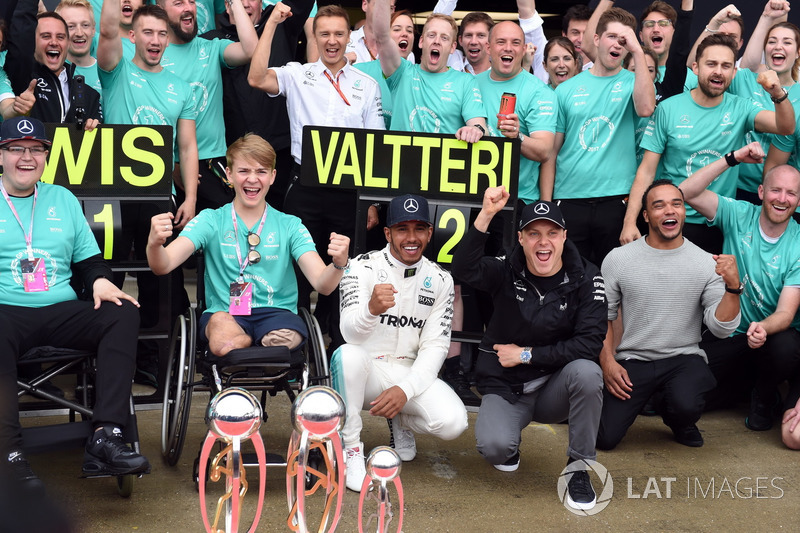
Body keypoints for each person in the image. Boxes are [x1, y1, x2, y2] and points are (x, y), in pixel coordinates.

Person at [0, 116, 150, 492]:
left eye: (36, 150)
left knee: (123, 312)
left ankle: (106, 434)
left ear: (47, 157)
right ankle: (9, 453)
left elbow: (89, 260)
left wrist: (99, 280)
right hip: (6, 311)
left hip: (60, 309)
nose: (26, 158)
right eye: (16, 149)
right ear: (1, 155)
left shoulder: (62, 199)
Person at [451, 187, 606, 511]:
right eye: (533, 233)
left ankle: (579, 468)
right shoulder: (506, 267)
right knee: (495, 448)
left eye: (551, 232)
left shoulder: (588, 277)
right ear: (521, 238)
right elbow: (463, 271)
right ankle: (509, 441)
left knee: (588, 373)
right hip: (506, 385)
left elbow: (590, 343)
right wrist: (486, 215)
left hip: (554, 387)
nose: (543, 242)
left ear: (564, 236)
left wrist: (526, 354)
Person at [247, 3, 384, 343]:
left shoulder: (366, 85)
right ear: (315, 36)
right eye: (325, 33)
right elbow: (255, 77)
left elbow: (376, 148)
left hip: (348, 192)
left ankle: (336, 350)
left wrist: (369, 203)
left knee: (343, 274)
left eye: (339, 33)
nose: (332, 41)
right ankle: (294, 349)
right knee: (297, 271)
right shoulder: (298, 73)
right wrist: (272, 25)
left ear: (348, 37)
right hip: (304, 186)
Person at [146, 133, 350, 357]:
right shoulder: (209, 220)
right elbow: (163, 265)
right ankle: (251, 347)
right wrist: (154, 245)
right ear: (229, 175)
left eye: (261, 171)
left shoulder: (290, 225)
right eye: (244, 171)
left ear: (272, 176)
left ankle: (246, 348)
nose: (252, 179)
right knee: (221, 330)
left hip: (277, 316)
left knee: (287, 337)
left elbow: (323, 284)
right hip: (225, 314)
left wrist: (338, 264)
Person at [332, 194, 467, 493]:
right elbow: (349, 334)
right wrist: (371, 310)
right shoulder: (360, 267)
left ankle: (402, 422)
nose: (411, 237)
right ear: (387, 233)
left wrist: (405, 391)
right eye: (402, 228)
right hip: (366, 374)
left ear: (430, 233)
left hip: (408, 373)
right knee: (347, 355)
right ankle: (351, 447)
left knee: (454, 422)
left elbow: (436, 348)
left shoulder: (441, 279)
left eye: (419, 228)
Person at [597, 179, 741, 451]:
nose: (669, 211)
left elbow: (721, 329)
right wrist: (608, 363)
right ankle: (650, 398)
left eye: (677, 204)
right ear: (646, 215)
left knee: (685, 403)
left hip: (683, 358)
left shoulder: (705, 262)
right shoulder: (618, 259)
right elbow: (603, 316)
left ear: (685, 211)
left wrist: (733, 287)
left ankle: (679, 419)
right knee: (604, 438)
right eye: (659, 206)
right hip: (633, 359)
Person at [621, 34, 795, 254]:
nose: (718, 71)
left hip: (719, 223)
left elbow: (785, 127)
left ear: (734, 72)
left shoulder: (741, 108)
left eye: (726, 66)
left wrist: (777, 93)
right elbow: (646, 172)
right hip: (673, 221)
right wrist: (629, 222)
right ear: (696, 67)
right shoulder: (668, 108)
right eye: (711, 64)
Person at [678, 142, 800, 434]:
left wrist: (763, 328)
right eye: (775, 190)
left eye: (791, 193)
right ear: (761, 193)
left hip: (773, 337)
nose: (781, 199)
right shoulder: (739, 214)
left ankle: (764, 392)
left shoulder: (798, 243)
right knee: (685, 397)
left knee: (783, 347)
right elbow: (686, 192)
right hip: (732, 334)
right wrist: (732, 159)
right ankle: (747, 387)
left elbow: (785, 312)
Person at [540, 7, 655, 266]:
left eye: (624, 40)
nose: (618, 44)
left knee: (616, 285)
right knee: (569, 283)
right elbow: (551, 153)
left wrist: (638, 50)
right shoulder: (566, 89)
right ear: (596, 39)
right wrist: (546, 207)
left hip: (616, 201)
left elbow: (646, 108)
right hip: (569, 199)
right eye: (612, 36)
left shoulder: (634, 81)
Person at [201, 0, 315, 210]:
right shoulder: (210, 41)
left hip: (280, 153)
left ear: (262, 4)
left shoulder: (280, 23)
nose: (244, 3)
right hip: (231, 154)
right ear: (227, 6)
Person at [158, 0, 258, 212]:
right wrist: (170, 165)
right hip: (166, 166)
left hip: (211, 163)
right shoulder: (152, 54)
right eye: (178, 3)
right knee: (170, 242)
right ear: (161, 11)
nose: (188, 8)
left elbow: (251, 50)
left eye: (192, 2)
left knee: (217, 241)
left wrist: (234, 1)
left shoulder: (211, 47)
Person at [372, 0, 488, 139]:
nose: (437, 41)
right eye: (431, 35)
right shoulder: (401, 72)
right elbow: (381, 36)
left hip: (443, 161)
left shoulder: (465, 81)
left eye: (444, 38)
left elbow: (479, 125)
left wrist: (475, 130)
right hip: (402, 160)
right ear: (421, 41)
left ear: (452, 47)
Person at [4, 2, 101, 130]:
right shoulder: (24, 78)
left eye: (60, 37)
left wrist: (95, 128)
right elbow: (22, 37)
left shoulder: (89, 94)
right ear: (32, 41)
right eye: (46, 36)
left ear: (67, 43)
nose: (54, 42)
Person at [55, 0, 103, 97]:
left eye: (85, 25)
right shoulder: (50, 72)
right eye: (71, 26)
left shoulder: (109, 74)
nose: (79, 33)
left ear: (93, 30)